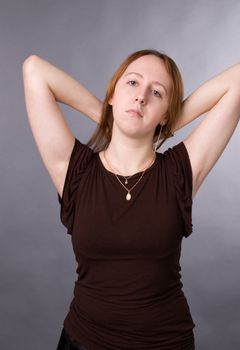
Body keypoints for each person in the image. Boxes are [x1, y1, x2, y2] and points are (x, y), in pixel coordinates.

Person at [22, 49, 240, 350]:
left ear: (166, 112)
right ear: (112, 93)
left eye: (157, 92)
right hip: (82, 342)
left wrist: (166, 124)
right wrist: (107, 114)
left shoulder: (179, 172)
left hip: (164, 344)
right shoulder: (75, 171)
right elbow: (34, 70)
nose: (141, 97)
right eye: (133, 84)